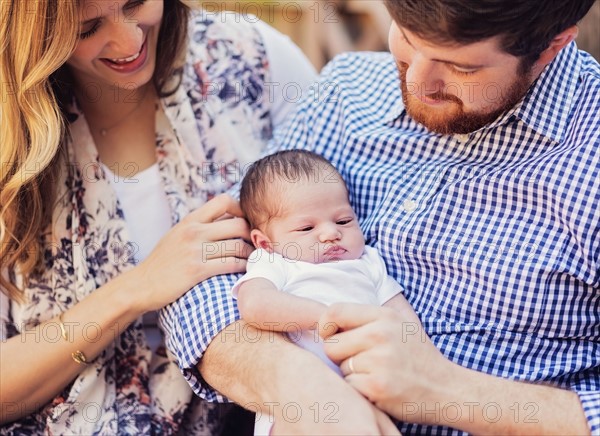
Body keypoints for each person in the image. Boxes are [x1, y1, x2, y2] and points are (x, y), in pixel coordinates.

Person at [161, 0, 599, 434]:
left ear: (551, 47)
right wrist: (303, 389)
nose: (415, 81)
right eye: (406, 37)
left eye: (461, 68)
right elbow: (205, 273)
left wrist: (452, 394)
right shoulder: (347, 91)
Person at [0, 0, 316, 433]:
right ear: (36, 40)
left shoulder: (249, 58)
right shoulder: (8, 145)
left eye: (136, 3)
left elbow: (340, 215)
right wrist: (135, 290)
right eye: (88, 28)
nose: (129, 40)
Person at [234, 150, 419, 434]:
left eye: (343, 221)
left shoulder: (367, 262)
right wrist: (325, 316)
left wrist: (420, 358)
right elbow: (256, 305)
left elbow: (401, 314)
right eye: (307, 227)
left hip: (369, 393)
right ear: (265, 242)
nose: (331, 233)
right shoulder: (275, 261)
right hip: (298, 403)